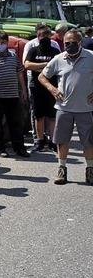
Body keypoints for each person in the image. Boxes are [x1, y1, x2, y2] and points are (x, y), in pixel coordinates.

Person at [39, 29, 93, 185]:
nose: (69, 46)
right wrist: (52, 89)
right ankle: (61, 169)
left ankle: (90, 169)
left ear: (80, 42)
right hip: (64, 108)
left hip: (86, 108)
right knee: (62, 141)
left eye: (73, 43)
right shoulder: (59, 58)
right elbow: (42, 76)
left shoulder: (90, 56)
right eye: (66, 43)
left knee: (89, 142)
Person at [0, 31, 30, 158]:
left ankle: (19, 148)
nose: (0, 45)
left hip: (12, 95)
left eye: (3, 42)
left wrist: (24, 90)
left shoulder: (13, 56)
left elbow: (20, 73)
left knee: (16, 123)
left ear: (7, 43)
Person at [24, 25, 61, 152]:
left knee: (51, 115)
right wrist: (45, 65)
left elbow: (58, 67)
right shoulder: (33, 50)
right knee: (38, 116)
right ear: (37, 36)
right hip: (36, 87)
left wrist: (41, 68)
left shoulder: (55, 51)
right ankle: (39, 141)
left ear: (50, 36)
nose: (43, 38)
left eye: (46, 35)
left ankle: (52, 141)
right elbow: (27, 65)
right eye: (41, 35)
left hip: (51, 87)